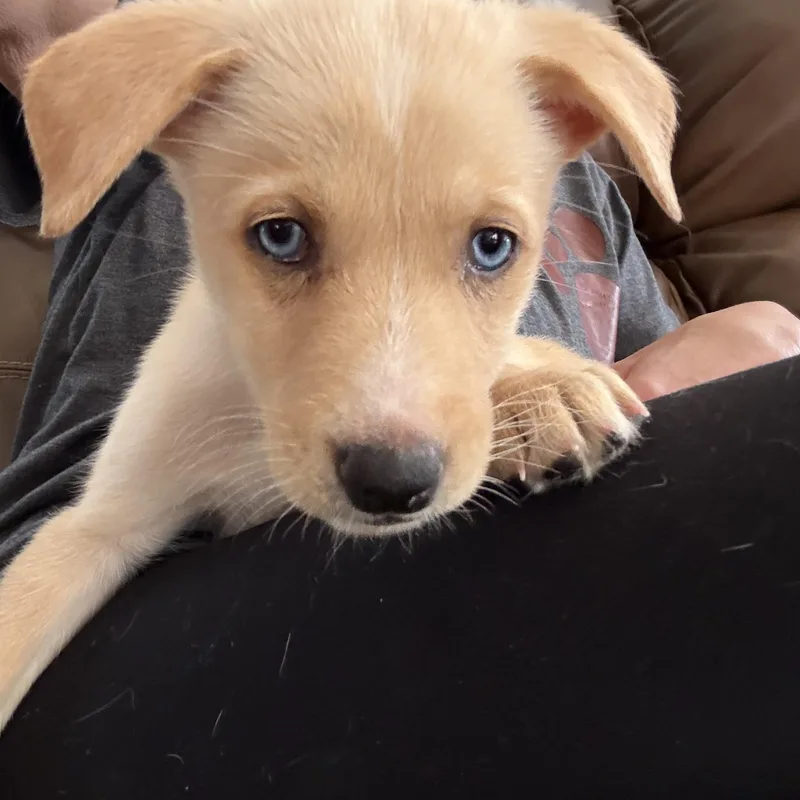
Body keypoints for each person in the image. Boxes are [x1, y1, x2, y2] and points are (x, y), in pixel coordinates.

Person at [1, 3, 799, 797]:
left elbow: (646, 416)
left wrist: (681, 369)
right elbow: (86, 535)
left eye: (491, 248)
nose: (393, 414)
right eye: (282, 236)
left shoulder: (548, 136)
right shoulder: (208, 135)